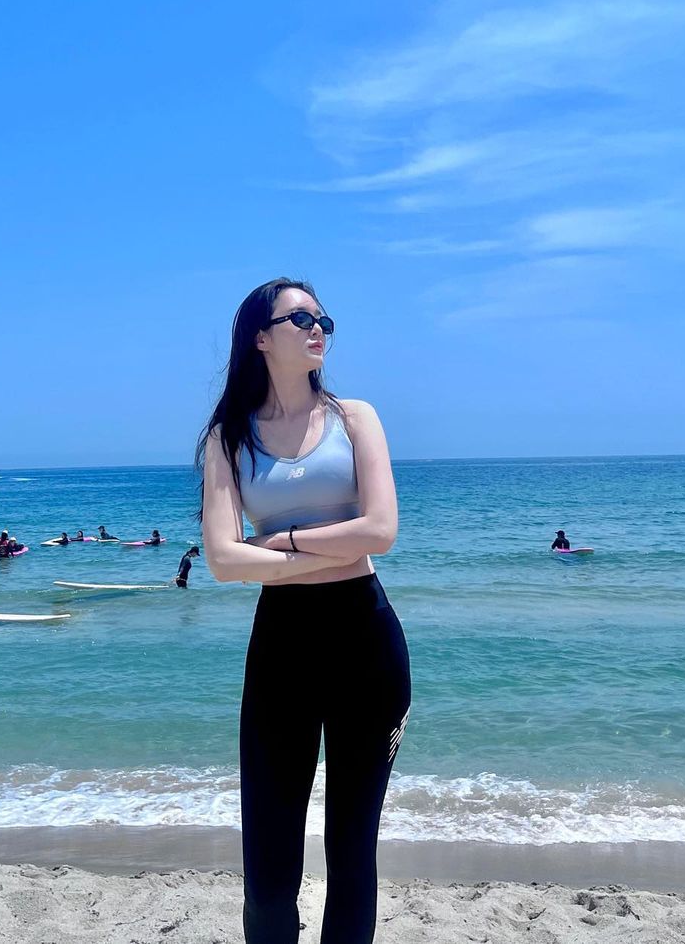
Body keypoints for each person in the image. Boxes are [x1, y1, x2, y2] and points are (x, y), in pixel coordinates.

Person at [199, 277, 410, 944]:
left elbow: (381, 531)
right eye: (299, 319)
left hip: (365, 640)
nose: (318, 328)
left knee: (351, 852)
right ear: (260, 339)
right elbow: (222, 559)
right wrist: (328, 553)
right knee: (267, 867)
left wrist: (282, 543)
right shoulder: (228, 440)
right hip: (282, 645)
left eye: (323, 319)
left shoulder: (356, 419)